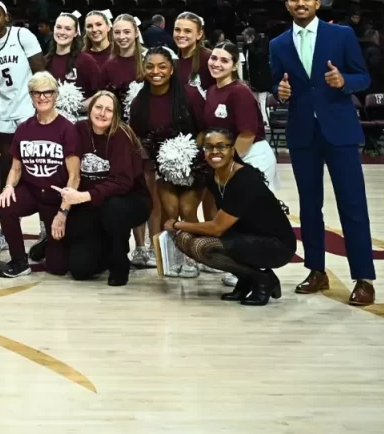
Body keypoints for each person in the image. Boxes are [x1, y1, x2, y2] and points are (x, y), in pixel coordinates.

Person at [269, 0, 375, 306]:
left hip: (340, 132)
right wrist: (279, 92)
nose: (300, 3)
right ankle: (317, 269)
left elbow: (363, 77)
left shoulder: (340, 35)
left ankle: (363, 278)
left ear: (317, 3)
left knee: (353, 205)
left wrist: (344, 81)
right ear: (287, 5)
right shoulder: (278, 43)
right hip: (303, 133)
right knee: (309, 206)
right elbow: (276, 83)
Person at [167, 127, 297, 306]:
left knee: (201, 245)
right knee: (184, 240)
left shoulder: (244, 179)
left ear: (232, 150)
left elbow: (217, 228)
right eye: (209, 147)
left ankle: (263, 279)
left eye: (221, 146)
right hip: (245, 236)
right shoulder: (215, 176)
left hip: (275, 245)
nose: (214, 152)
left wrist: (177, 225)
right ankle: (246, 279)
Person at [55, 90, 149, 285]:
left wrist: (85, 196)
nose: (102, 113)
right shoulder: (79, 130)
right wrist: (64, 211)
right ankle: (103, 248)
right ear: (90, 109)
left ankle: (120, 263)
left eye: (109, 110)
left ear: (115, 115)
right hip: (92, 204)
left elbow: (122, 183)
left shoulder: (120, 135)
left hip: (129, 201)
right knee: (80, 269)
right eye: (98, 107)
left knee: (113, 209)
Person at [127, 47, 207, 276]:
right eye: (150, 66)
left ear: (171, 69)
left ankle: (194, 257)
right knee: (170, 210)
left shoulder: (190, 95)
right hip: (162, 168)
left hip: (193, 164)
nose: (156, 71)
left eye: (162, 66)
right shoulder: (139, 102)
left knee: (188, 209)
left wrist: (188, 154)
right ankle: (175, 257)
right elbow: (138, 137)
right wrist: (159, 158)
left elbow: (203, 130)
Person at [0, 72, 79, 278]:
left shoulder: (67, 129)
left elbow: (74, 177)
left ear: (55, 95)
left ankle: (49, 241)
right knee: (5, 204)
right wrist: (7, 188)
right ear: (30, 96)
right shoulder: (24, 129)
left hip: (56, 196)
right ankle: (19, 261)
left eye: (47, 92)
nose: (42, 97)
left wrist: (63, 212)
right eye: (36, 93)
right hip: (31, 192)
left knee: (58, 268)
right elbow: (16, 168)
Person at [0, 0, 46, 191]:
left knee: (36, 164)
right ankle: (7, 209)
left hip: (29, 110)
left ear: (7, 17)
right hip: (4, 115)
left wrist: (44, 112)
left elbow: (41, 75)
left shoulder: (22, 35)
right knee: (6, 167)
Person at [202, 42, 275, 189]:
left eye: (224, 60)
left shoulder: (240, 91)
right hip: (228, 156)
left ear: (235, 66)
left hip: (251, 156)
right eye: (214, 58)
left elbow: (247, 134)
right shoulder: (211, 91)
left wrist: (228, 164)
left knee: (254, 209)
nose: (216, 63)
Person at [45, 12, 103, 103]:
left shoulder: (86, 60)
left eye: (68, 29)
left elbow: (101, 93)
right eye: (59, 27)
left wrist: (77, 108)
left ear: (75, 33)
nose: (62, 32)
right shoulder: (46, 60)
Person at [103, 14, 147, 93]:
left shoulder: (149, 58)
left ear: (136, 33)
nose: (121, 37)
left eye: (127, 32)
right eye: (117, 32)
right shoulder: (109, 65)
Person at [171, 11, 209, 94]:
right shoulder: (173, 60)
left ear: (199, 34)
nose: (181, 35)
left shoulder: (209, 59)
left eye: (187, 31)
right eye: (177, 30)